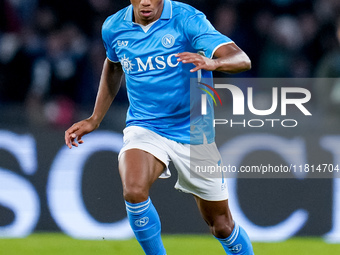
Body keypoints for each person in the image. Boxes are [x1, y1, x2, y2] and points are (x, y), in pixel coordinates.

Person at [65, 0, 254, 254]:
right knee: (133, 190)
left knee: (221, 225)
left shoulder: (187, 19)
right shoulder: (113, 27)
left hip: (194, 131)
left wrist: (214, 64)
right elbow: (113, 65)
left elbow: (242, 59)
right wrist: (94, 118)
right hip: (145, 126)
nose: (145, 2)